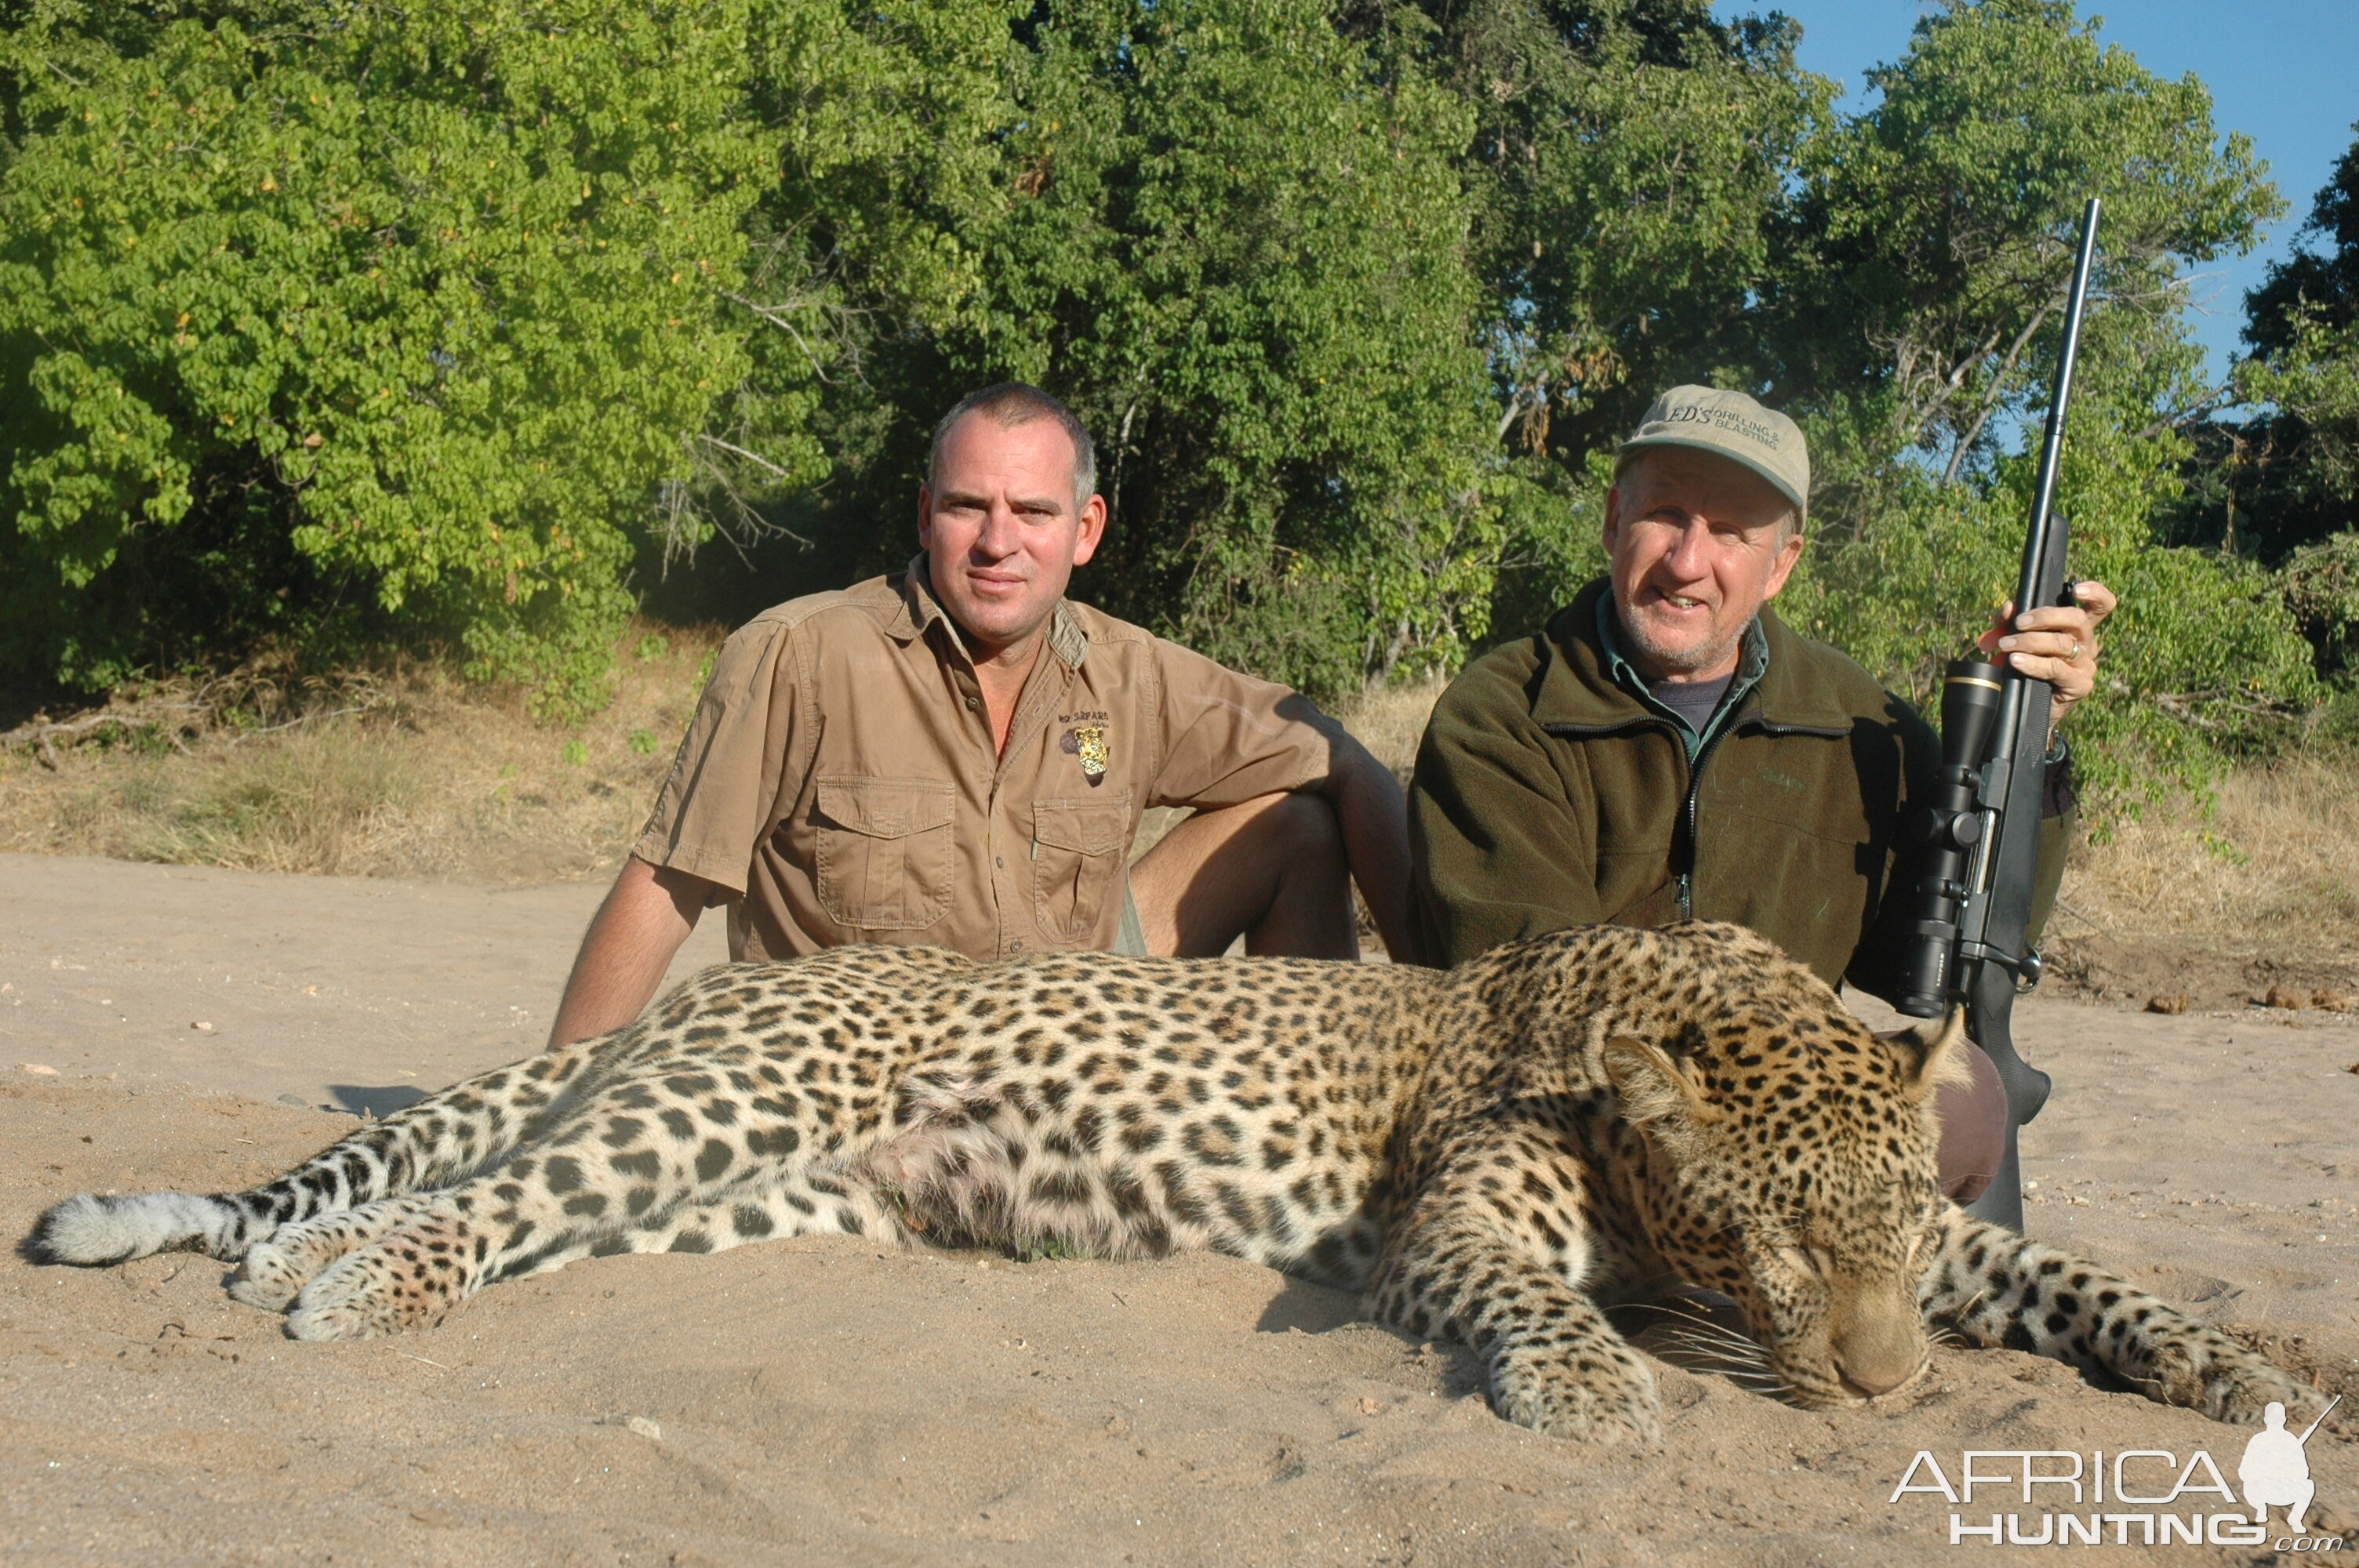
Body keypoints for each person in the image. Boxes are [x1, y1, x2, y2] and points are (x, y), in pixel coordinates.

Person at [1408, 385, 2116, 1203]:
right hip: (1563, 1118)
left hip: (1773, 1121)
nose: (1685, 561)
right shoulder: (1499, 711)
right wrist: (1770, 1092)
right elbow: (1536, 999)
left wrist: (2028, 742)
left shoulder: (1855, 716)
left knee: (1967, 1103)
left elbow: (1962, 947)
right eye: (1664, 514)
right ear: (1610, 521)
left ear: (1781, 563)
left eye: (1732, 534)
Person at [547, 383, 1414, 1050]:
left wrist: (1443, 998)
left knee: (1300, 821)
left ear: (1084, 529)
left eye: (1034, 512)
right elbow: (668, 884)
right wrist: (556, 1099)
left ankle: (1327, 1120)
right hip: (866, 1064)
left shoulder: (1134, 673)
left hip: (1061, 1042)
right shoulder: (799, 655)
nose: (998, 542)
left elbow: (1341, 758)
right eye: (968, 506)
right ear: (926, 516)